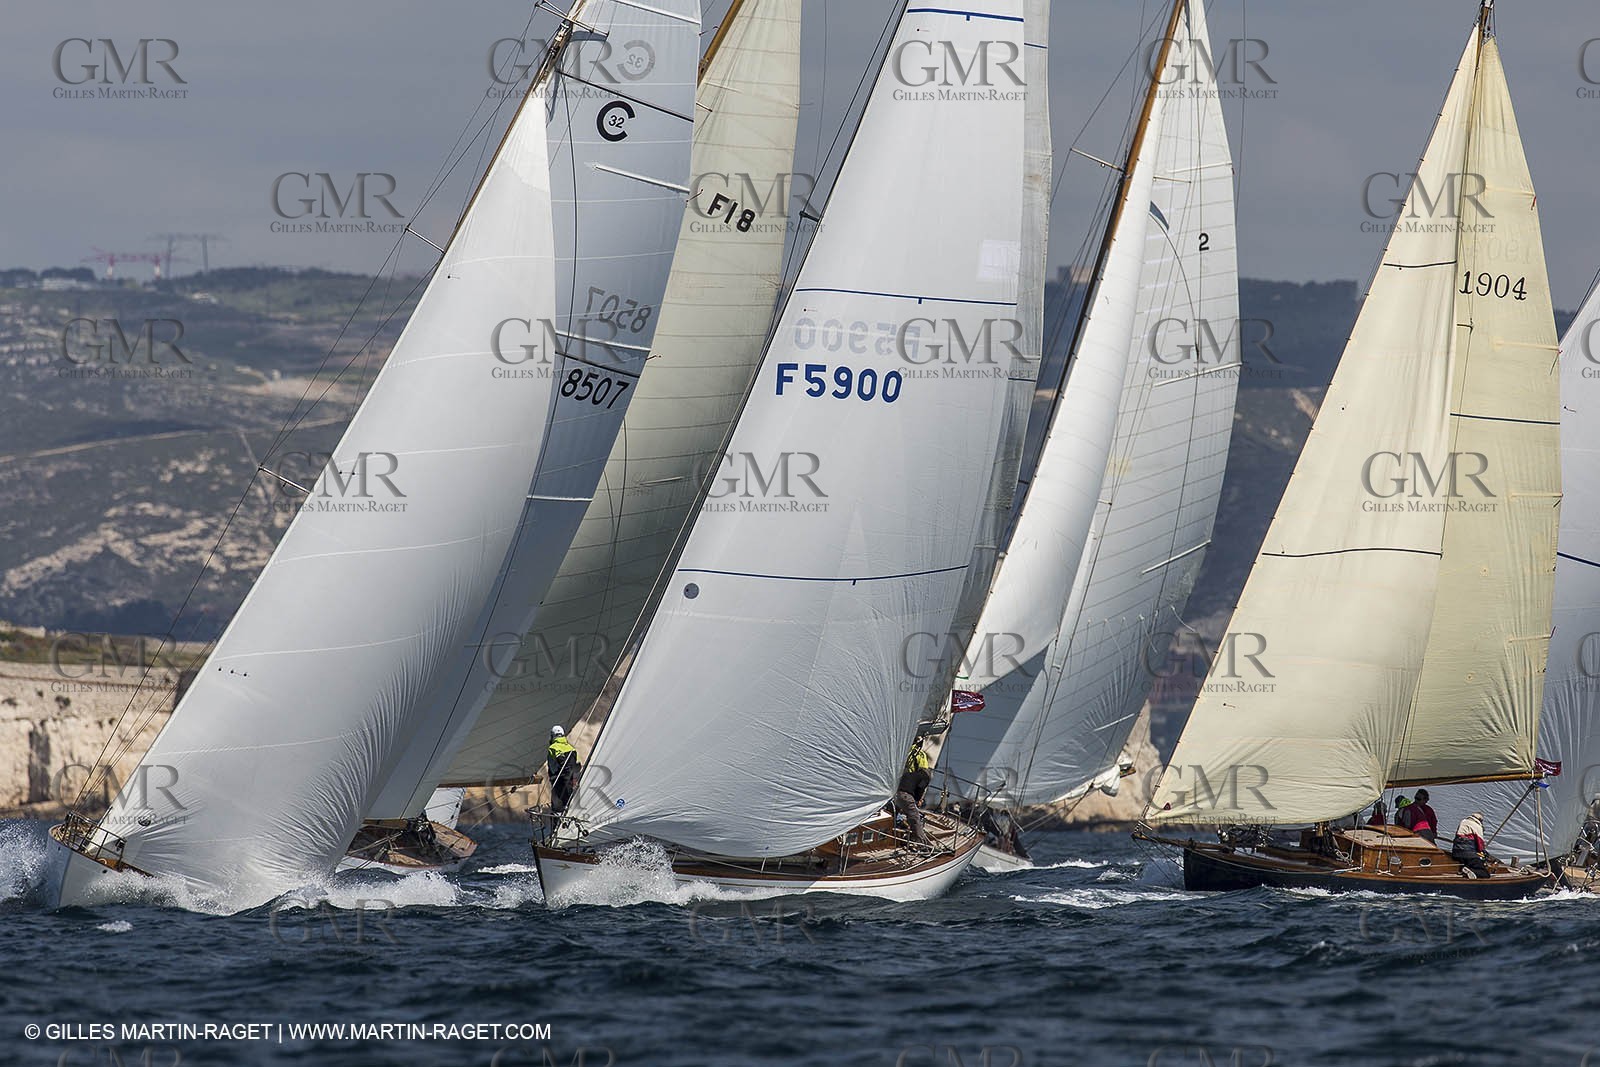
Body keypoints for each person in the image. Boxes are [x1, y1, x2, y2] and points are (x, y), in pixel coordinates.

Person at [892, 739, 934, 845]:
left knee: (895, 812)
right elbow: (920, 789)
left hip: (895, 793)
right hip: (905, 795)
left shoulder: (904, 751)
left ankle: (893, 827)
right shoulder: (925, 776)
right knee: (915, 817)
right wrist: (918, 800)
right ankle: (922, 843)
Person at [547, 725, 581, 814]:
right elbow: (576, 765)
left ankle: (557, 824)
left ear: (552, 736)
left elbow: (560, 760)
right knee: (570, 804)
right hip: (571, 781)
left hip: (558, 780)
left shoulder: (553, 747)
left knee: (558, 809)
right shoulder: (571, 748)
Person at [1451, 812, 1493, 877]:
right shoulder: (1477, 826)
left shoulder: (1463, 822)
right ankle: (1471, 870)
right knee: (1485, 874)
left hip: (1456, 853)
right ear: (1480, 820)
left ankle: (1465, 869)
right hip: (1469, 854)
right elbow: (1480, 845)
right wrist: (1484, 854)